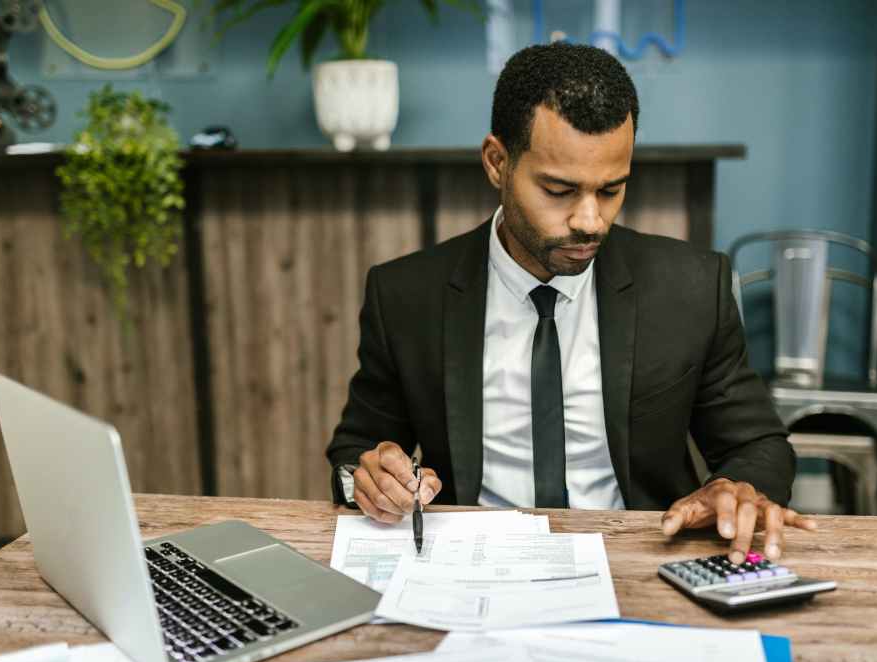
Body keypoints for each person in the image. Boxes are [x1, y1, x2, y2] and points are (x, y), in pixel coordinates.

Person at [326, 42, 815, 565]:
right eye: (559, 190)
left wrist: (736, 486)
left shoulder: (692, 288)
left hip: (642, 560)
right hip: (470, 564)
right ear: (497, 162)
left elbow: (760, 445)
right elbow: (357, 451)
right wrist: (369, 479)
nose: (590, 220)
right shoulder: (406, 295)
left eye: (611, 190)